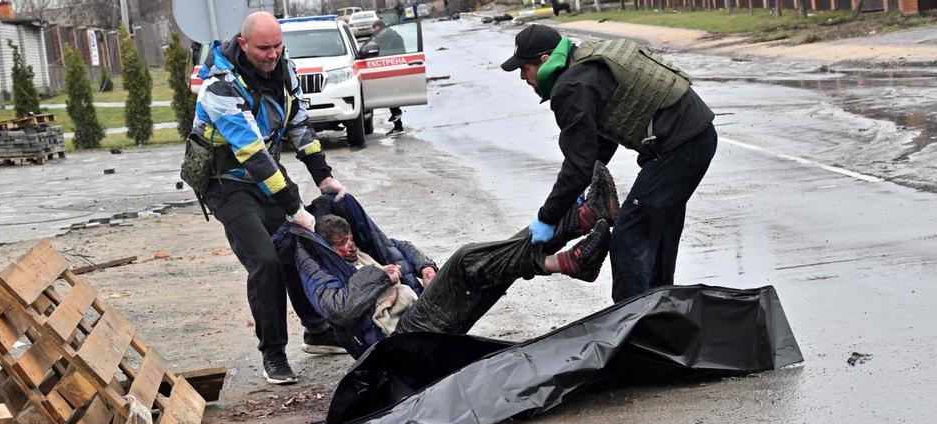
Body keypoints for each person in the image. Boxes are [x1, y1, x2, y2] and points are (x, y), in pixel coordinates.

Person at [293, 162, 619, 355]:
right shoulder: (318, 271)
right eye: (339, 245)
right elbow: (339, 309)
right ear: (325, 248)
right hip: (402, 341)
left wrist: (425, 265)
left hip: (419, 315)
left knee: (495, 262)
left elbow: (401, 245)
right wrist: (381, 277)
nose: (349, 247)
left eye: (349, 238)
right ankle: (570, 251)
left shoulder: (362, 249)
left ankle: (581, 219)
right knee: (466, 260)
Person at [501, 24, 717, 303]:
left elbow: (577, 164)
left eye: (523, 68)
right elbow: (602, 139)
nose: (522, 76)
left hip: (680, 146)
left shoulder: (571, 86)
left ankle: (630, 325)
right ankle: (661, 313)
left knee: (629, 238)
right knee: (657, 233)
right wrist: (583, 183)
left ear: (543, 61)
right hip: (695, 136)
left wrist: (547, 218)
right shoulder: (585, 62)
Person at [191, 11, 348, 385]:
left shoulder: (285, 69)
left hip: (265, 177)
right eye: (264, 48)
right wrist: (295, 208)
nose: (273, 54)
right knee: (265, 260)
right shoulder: (219, 86)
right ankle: (273, 352)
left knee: (296, 247)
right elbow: (253, 155)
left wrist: (322, 175)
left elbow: (299, 124)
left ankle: (316, 331)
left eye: (278, 46)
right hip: (227, 181)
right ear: (244, 45)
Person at [370, 19, 406, 134]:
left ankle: (397, 114)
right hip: (384, 69)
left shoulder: (395, 38)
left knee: (392, 94)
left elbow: (400, 53)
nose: (376, 34)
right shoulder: (378, 39)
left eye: (377, 31)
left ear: (382, 28)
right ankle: (398, 126)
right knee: (389, 95)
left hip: (394, 68)